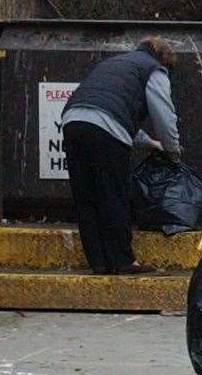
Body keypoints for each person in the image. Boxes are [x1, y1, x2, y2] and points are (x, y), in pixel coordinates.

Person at [61, 36, 181, 274]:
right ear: (164, 59)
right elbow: (164, 115)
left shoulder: (116, 63)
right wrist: (172, 148)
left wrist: (147, 142)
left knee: (86, 197)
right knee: (113, 194)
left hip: (72, 121)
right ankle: (123, 261)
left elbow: (110, 107)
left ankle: (98, 262)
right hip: (105, 127)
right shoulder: (154, 69)